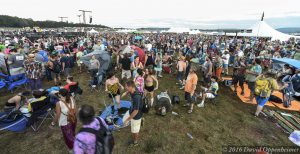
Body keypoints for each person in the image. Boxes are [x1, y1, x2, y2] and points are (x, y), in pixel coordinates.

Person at [123, 80, 143, 147]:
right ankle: (138, 123)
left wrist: (128, 119)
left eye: (126, 87)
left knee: (134, 131)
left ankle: (135, 142)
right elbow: (129, 90)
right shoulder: (132, 90)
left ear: (131, 87)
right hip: (131, 110)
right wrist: (126, 92)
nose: (125, 87)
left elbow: (136, 111)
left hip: (136, 116)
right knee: (124, 120)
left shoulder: (136, 97)